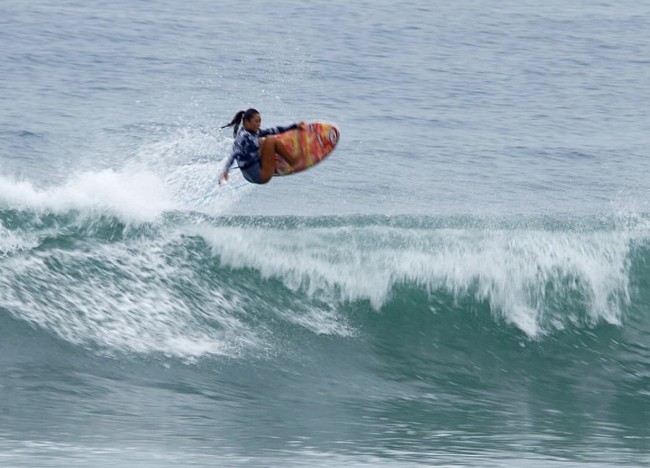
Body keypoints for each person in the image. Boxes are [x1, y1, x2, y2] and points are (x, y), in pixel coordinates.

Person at [218, 108, 305, 185]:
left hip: (248, 174)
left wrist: (294, 126)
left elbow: (272, 130)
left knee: (263, 140)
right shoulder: (244, 137)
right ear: (247, 122)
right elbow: (234, 154)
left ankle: (274, 163)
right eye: (256, 121)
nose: (259, 124)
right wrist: (226, 170)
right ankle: (293, 162)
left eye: (260, 121)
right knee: (271, 140)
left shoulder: (249, 132)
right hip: (259, 176)